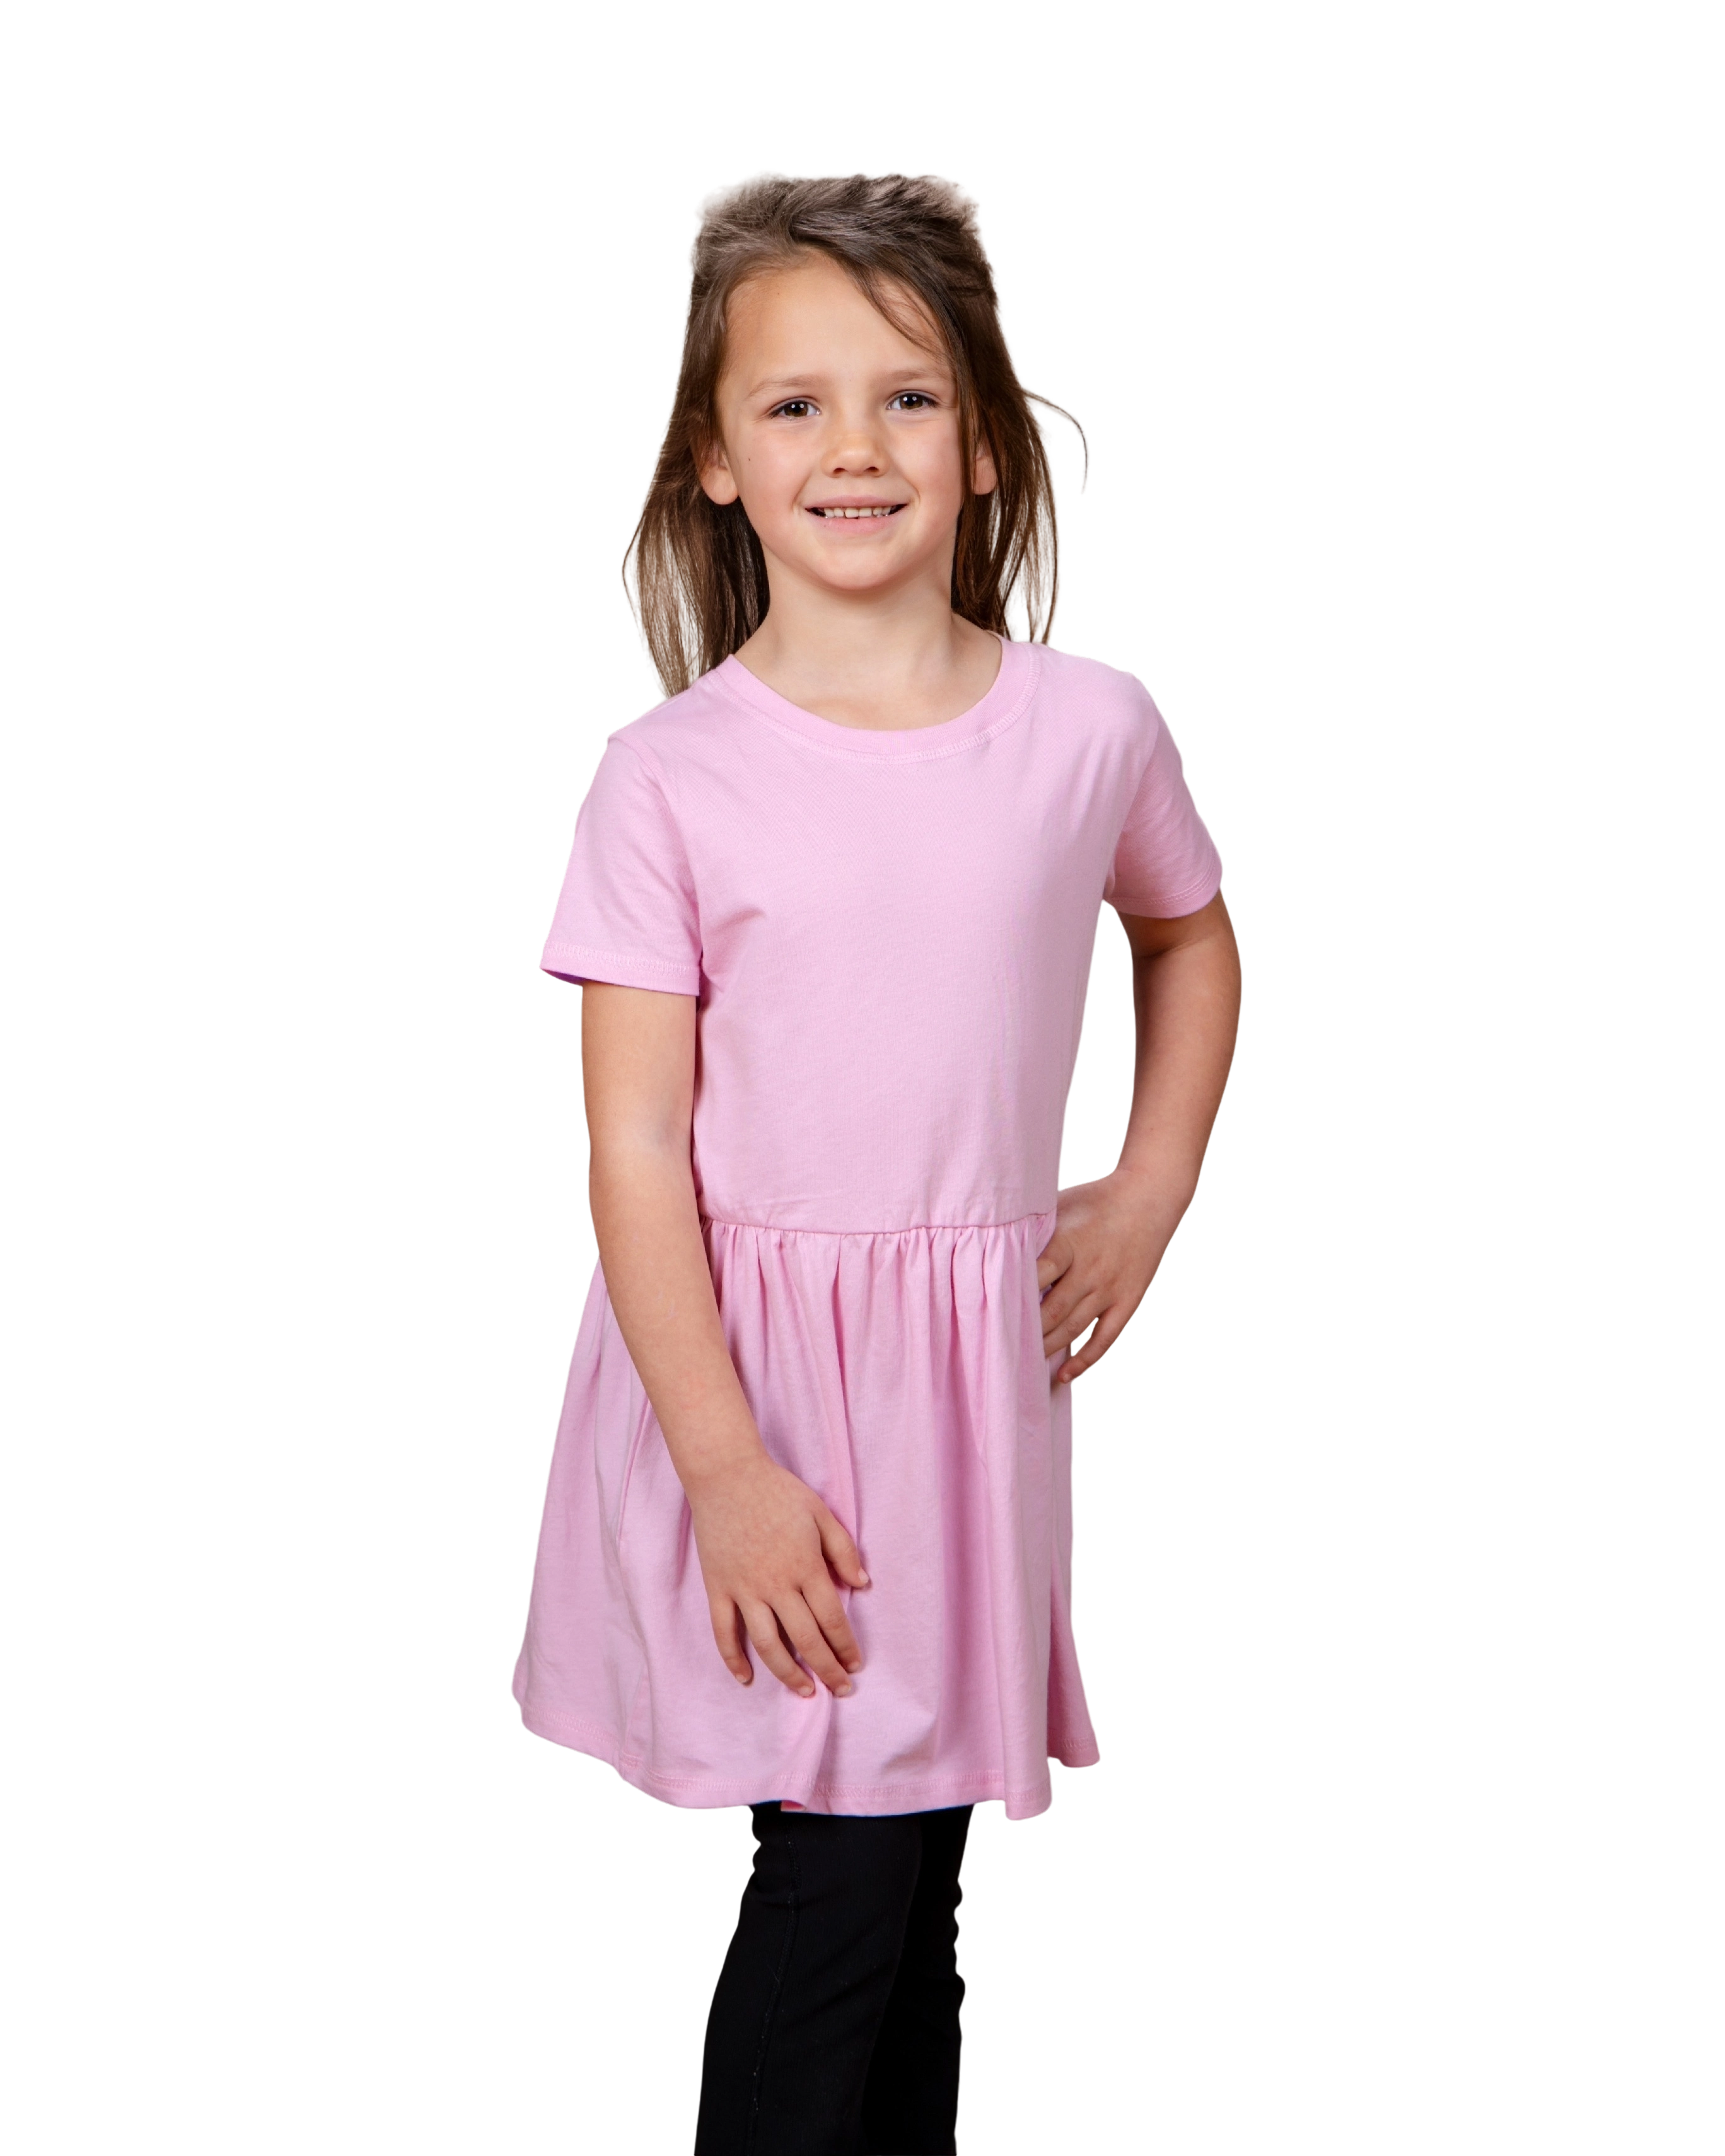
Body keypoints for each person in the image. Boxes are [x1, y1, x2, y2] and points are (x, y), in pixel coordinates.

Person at [508, 166, 1244, 2156]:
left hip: (966, 1388)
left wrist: (1149, 1186)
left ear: (985, 442)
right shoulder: (668, 776)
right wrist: (726, 1469)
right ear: (715, 459)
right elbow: (633, 1149)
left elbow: (1190, 936)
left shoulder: (1090, 731)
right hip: (756, 1398)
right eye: (795, 403)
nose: (856, 446)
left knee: (913, 1895)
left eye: (908, 396)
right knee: (842, 1884)